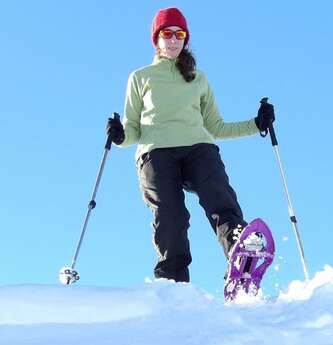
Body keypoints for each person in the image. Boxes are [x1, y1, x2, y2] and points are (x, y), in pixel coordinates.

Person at [106, 7, 275, 283]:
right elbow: (133, 129)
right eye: (167, 34)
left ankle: (239, 252)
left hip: (199, 148)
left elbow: (216, 127)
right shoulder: (141, 77)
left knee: (218, 195)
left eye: (179, 34)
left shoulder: (198, 78)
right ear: (156, 39)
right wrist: (120, 135)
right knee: (170, 214)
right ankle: (173, 281)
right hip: (155, 153)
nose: (173, 40)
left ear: (185, 39)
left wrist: (257, 124)